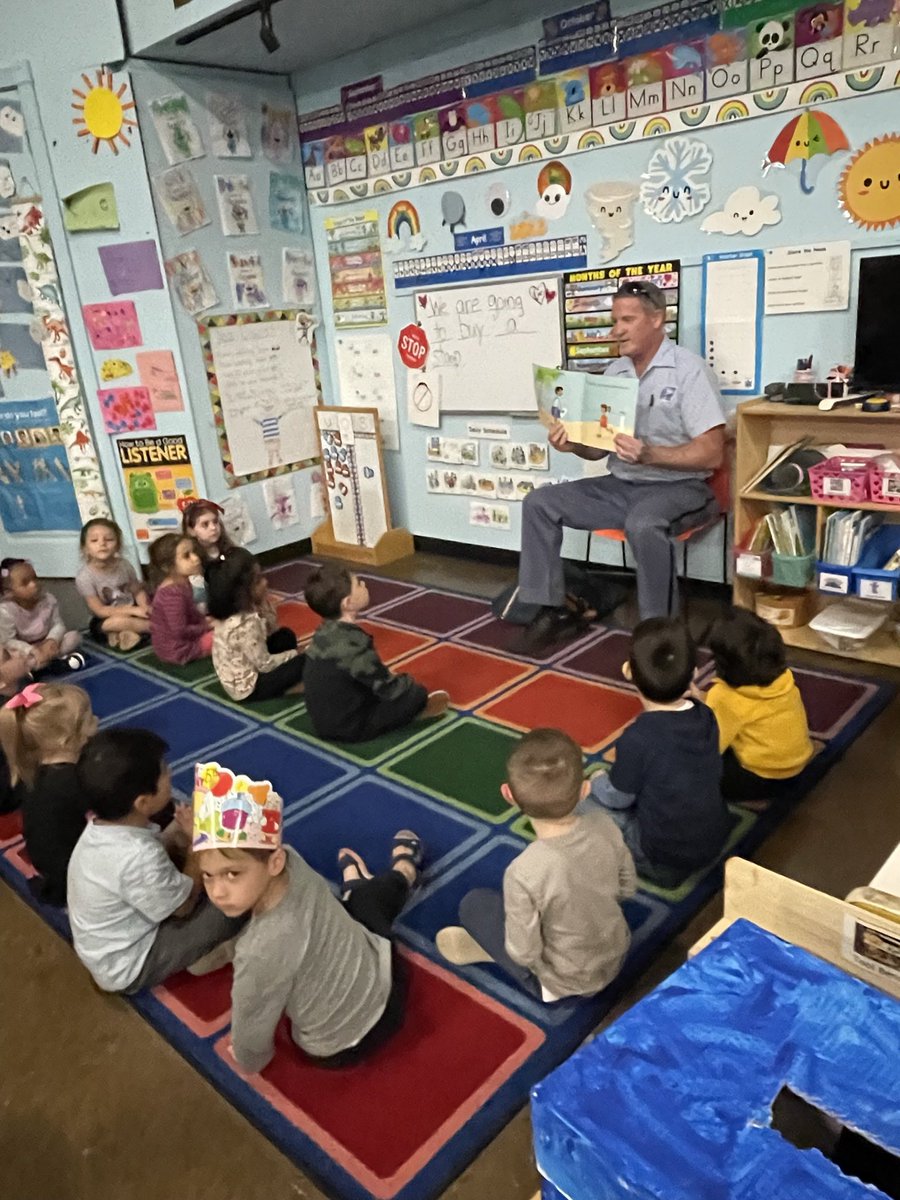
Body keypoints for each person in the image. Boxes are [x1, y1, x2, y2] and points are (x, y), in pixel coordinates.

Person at [517, 280, 726, 644]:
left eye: (627, 320)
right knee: (539, 503)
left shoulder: (689, 371)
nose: (616, 331)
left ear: (658, 319)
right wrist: (573, 446)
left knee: (644, 523)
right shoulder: (615, 373)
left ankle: (658, 632)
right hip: (621, 485)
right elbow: (599, 450)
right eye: (615, 321)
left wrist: (650, 454)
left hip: (682, 489)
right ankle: (551, 608)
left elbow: (712, 452)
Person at [193, 772, 424, 1071]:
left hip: (340, 1045)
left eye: (232, 874)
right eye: (208, 876)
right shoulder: (290, 858)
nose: (217, 891)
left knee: (356, 909)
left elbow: (250, 1039)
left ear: (275, 863)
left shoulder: (259, 952)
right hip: (387, 972)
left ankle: (376, 883)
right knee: (363, 905)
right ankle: (402, 870)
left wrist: (249, 1059)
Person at [436, 728, 636, 1000]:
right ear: (585, 790)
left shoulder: (524, 871)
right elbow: (627, 889)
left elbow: (523, 953)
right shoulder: (605, 824)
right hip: (618, 952)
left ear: (508, 795)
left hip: (565, 981)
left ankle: (507, 964)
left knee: (474, 904)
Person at [67, 729, 243, 993]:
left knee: (179, 846)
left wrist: (182, 835)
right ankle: (209, 954)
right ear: (143, 802)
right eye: (163, 771)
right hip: (132, 966)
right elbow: (184, 906)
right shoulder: (137, 856)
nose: (170, 773)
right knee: (238, 897)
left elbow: (149, 853)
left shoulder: (101, 827)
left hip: (109, 947)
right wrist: (199, 842)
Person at [587, 617, 734, 886]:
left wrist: (596, 779)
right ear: (694, 673)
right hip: (714, 838)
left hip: (663, 857)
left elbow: (618, 798)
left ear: (629, 672)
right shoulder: (706, 714)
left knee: (580, 800)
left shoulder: (639, 738)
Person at [303, 562, 449, 742]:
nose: (364, 585)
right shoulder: (353, 644)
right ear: (348, 603)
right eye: (358, 584)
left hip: (322, 723)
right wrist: (408, 682)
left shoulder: (322, 632)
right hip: (350, 728)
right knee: (415, 694)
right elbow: (389, 689)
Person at [705, 607, 814, 804]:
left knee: (689, 767)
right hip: (798, 770)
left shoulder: (723, 697)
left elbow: (709, 748)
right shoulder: (784, 678)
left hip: (760, 778)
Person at [0, 682, 96, 905]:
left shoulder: (32, 770)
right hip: (74, 879)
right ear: (66, 739)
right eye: (89, 719)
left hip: (48, 862)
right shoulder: (73, 782)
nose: (97, 722)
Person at [207, 548, 304, 703]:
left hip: (249, 663)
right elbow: (265, 665)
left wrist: (263, 604)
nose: (265, 582)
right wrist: (295, 654)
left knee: (285, 636)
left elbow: (272, 629)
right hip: (249, 689)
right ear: (242, 592)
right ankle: (287, 690)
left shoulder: (239, 608)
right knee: (305, 661)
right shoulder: (245, 623)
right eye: (258, 581)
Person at [76, 518, 151, 651]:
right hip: (105, 617)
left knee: (157, 603)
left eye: (109, 539)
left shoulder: (124, 565)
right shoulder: (84, 577)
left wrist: (145, 607)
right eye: (94, 541)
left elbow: (137, 590)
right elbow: (99, 610)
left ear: (118, 545)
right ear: (85, 548)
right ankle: (153, 628)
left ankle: (123, 635)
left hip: (132, 609)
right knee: (113, 623)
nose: (102, 544)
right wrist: (133, 610)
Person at [0, 558, 84, 673]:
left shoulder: (48, 600)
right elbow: (9, 641)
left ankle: (43, 664)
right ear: (8, 592)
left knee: (74, 637)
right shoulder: (6, 611)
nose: (34, 584)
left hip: (47, 643)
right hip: (26, 649)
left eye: (35, 578)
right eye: (25, 583)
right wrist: (32, 650)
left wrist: (52, 640)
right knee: (12, 658)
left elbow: (58, 624)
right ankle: (51, 663)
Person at [149, 533, 214, 666]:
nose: (196, 558)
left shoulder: (184, 583)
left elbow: (191, 614)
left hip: (187, 639)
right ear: (167, 566)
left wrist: (206, 622)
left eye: (194, 552)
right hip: (179, 649)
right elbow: (180, 631)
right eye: (186, 556)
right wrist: (207, 626)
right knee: (232, 634)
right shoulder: (171, 594)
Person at [180, 498, 235, 612]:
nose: (213, 527)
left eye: (215, 522)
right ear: (191, 531)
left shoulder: (228, 550)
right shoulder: (193, 560)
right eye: (205, 524)